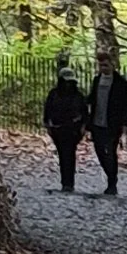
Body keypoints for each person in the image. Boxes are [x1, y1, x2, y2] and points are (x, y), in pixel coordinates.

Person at [43, 65, 88, 193]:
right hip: (58, 128)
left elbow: (84, 113)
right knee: (63, 155)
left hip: (73, 129)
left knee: (68, 154)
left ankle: (68, 183)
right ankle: (66, 182)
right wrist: (48, 124)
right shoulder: (54, 94)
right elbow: (48, 110)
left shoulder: (78, 95)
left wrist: (83, 127)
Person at [90, 59, 127, 194]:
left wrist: (126, 123)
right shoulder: (97, 80)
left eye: (106, 64)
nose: (103, 67)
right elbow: (92, 98)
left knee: (111, 151)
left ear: (112, 66)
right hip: (97, 121)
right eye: (101, 65)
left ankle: (112, 182)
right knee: (99, 150)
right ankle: (110, 175)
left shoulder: (121, 83)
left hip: (113, 123)